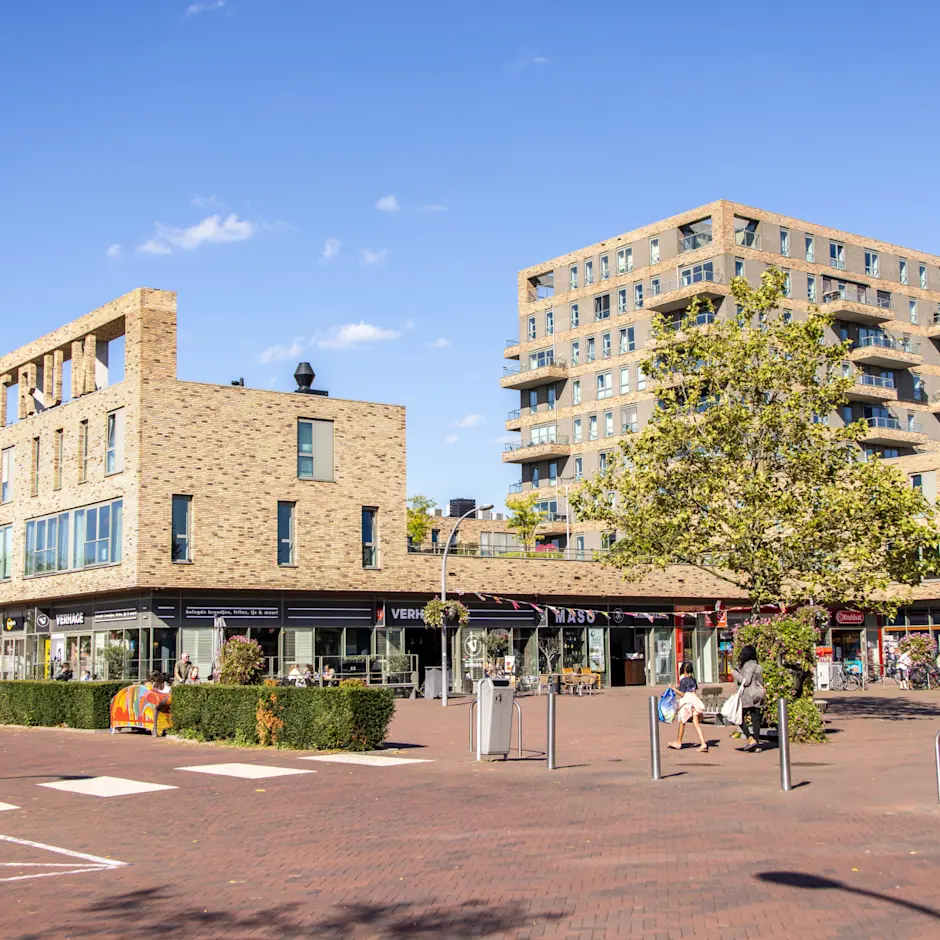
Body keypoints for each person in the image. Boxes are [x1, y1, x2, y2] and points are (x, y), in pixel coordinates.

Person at [668, 662, 709, 753]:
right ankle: (703, 743)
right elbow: (693, 691)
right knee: (696, 723)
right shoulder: (693, 680)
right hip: (694, 700)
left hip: (687, 702)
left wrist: (673, 688)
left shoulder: (683, 680)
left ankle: (678, 742)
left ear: (684, 670)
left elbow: (683, 694)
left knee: (682, 722)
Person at [733, 645, 766, 752]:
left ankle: (750, 739)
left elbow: (746, 681)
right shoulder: (758, 666)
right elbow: (760, 681)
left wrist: (735, 673)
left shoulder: (747, 666)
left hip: (748, 696)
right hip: (758, 694)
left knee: (737, 716)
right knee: (755, 719)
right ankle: (756, 744)